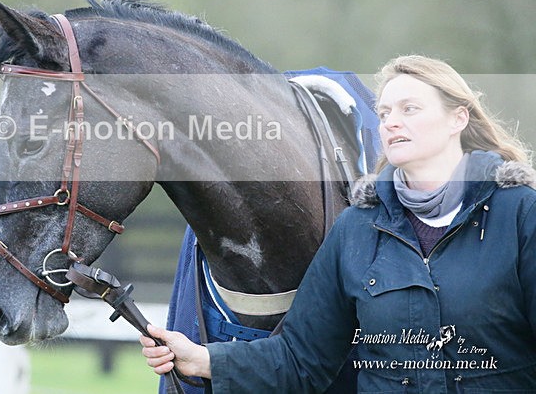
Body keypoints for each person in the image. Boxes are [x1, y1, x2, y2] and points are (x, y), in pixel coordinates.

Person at [140, 55, 536, 393]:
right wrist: (204, 359)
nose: (391, 122)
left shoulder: (520, 214)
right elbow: (300, 358)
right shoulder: (358, 228)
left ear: (458, 119)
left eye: (409, 109)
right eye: (384, 113)